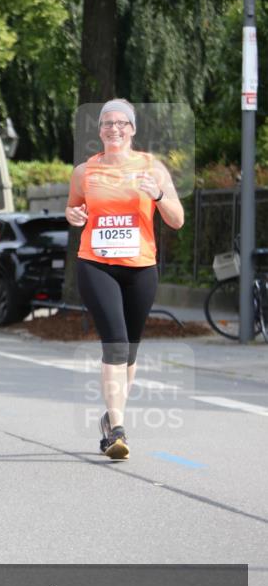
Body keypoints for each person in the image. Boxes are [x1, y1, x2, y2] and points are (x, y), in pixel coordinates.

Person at [65, 99, 184, 460]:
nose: (113, 129)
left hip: (140, 267)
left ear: (132, 129)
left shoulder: (152, 167)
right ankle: (117, 428)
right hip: (96, 265)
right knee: (115, 344)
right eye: (106, 124)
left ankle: (112, 419)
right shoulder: (85, 171)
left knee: (130, 350)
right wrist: (73, 215)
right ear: (99, 131)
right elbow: (75, 210)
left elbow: (177, 219)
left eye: (121, 123)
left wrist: (159, 195)